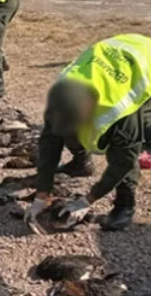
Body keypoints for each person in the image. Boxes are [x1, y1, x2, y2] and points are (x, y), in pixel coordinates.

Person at [26, 34, 151, 234]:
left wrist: (87, 201)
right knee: (67, 131)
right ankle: (81, 162)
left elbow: (124, 161)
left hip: (144, 67)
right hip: (112, 53)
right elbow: (49, 144)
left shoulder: (120, 109)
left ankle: (125, 205)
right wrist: (41, 196)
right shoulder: (61, 97)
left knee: (136, 138)